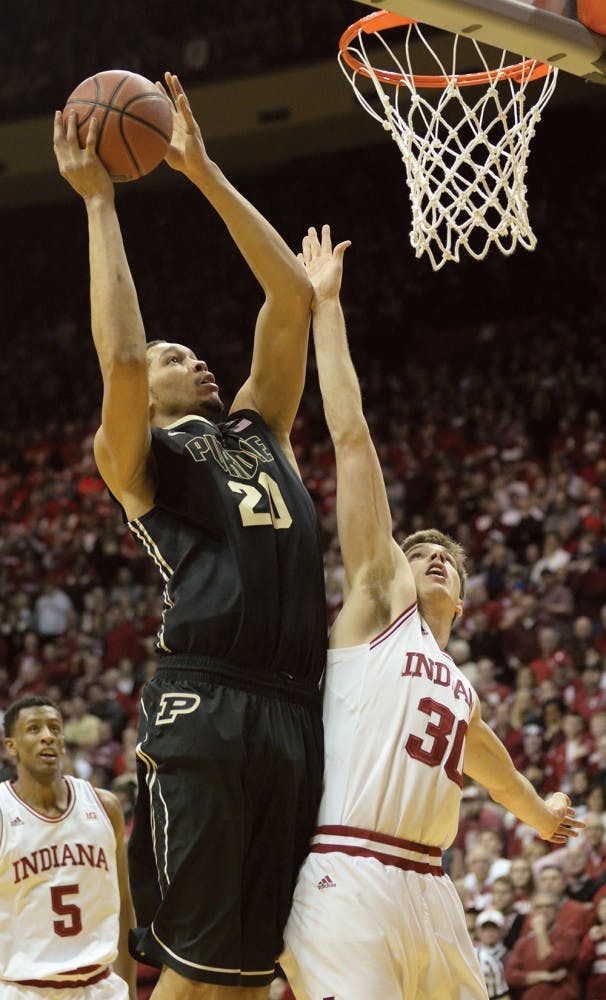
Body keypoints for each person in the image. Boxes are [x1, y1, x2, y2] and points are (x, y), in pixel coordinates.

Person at [53, 73, 326, 999]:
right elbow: (123, 356)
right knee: (193, 971)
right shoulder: (136, 456)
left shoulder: (261, 427)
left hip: (293, 707)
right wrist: (101, 206)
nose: (192, 358)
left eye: (192, 352)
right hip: (205, 705)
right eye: (180, 356)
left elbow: (292, 300)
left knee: (250, 975)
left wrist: (203, 171)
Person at [280, 225, 584, 999]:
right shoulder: (381, 604)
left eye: (448, 554)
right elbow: (351, 440)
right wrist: (326, 310)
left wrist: (543, 817)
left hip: (431, 888)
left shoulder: (459, 686)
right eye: (420, 552)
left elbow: (498, 771)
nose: (436, 557)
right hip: (350, 873)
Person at [0, 695, 136, 998]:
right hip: (24, 990)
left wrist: (130, 990)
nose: (47, 735)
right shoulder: (2, 813)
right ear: (11, 746)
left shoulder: (105, 806)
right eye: (34, 729)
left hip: (101, 986)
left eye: (54, 728)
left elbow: (124, 906)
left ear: (63, 740)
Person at [505, 891, 580, 999]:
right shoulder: (523, 942)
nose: (544, 911)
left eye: (549, 907)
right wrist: (544, 976)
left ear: (558, 911)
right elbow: (510, 976)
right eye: (539, 907)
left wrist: (540, 932)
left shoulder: (568, 936)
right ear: (532, 912)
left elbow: (549, 962)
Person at [474, 910, 510, 1000]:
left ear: (502, 931)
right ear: (478, 932)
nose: (489, 932)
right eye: (485, 928)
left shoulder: (510, 956)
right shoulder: (471, 956)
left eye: (494, 928)